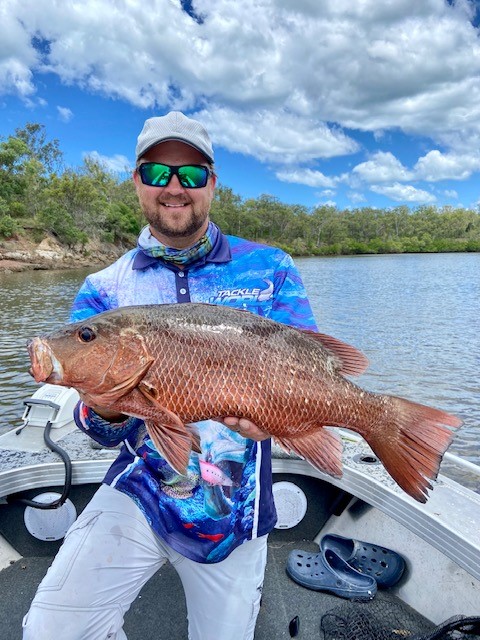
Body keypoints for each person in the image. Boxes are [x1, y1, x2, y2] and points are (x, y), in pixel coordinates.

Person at [23, 111, 318, 640]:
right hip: (137, 491)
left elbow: (310, 366)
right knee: (50, 630)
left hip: (237, 508)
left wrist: (273, 421)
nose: (174, 187)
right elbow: (95, 428)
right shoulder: (103, 289)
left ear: (212, 183)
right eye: (158, 173)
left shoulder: (271, 268)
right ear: (138, 182)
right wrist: (110, 401)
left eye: (191, 173)